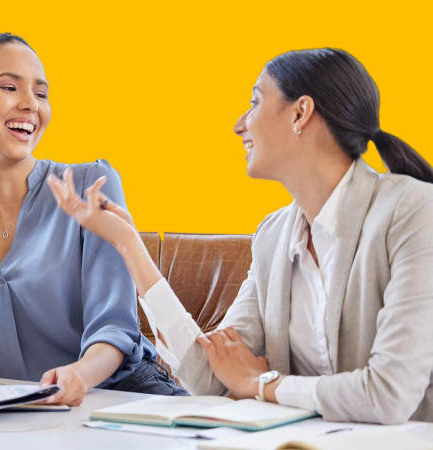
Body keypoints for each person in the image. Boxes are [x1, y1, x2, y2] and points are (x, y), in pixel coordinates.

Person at [48, 48, 433, 423]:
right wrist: (128, 244)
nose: (239, 123)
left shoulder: (413, 211)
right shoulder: (274, 236)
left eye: (255, 101)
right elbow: (210, 375)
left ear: (301, 113)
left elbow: (389, 394)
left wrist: (263, 384)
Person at [0, 32, 185, 406]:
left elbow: (115, 326)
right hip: (22, 412)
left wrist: (76, 376)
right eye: (10, 87)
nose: (31, 104)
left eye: (41, 94)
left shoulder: (89, 186)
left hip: (123, 397)